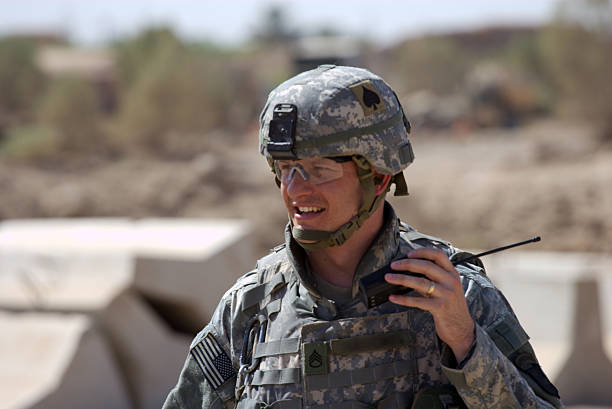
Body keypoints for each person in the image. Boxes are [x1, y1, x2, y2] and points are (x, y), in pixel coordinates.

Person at [162, 65, 562, 409]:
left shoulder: (456, 297)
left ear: (379, 176)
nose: (296, 190)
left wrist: (466, 344)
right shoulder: (248, 310)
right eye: (286, 168)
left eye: (320, 169)